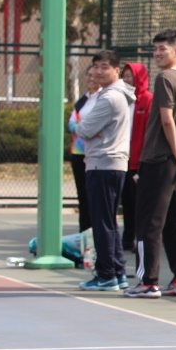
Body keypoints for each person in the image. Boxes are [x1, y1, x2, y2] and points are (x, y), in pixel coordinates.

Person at [125, 29, 176, 299]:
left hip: (158, 160)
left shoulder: (164, 78)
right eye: (154, 49)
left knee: (148, 222)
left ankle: (148, 282)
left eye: (162, 49)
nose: (157, 54)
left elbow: (167, 120)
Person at [75, 51, 135, 291]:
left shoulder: (110, 97)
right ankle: (117, 272)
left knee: (102, 222)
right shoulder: (113, 94)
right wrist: (88, 128)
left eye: (104, 67)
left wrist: (85, 127)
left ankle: (107, 274)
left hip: (103, 163)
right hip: (110, 163)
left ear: (116, 71)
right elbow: (87, 129)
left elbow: (83, 129)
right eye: (96, 66)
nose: (98, 71)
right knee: (108, 221)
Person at [120, 62, 152, 253]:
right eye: (124, 75)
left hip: (139, 161)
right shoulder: (122, 99)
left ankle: (142, 239)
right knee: (126, 202)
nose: (126, 79)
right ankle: (127, 238)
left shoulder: (147, 100)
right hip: (122, 158)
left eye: (129, 75)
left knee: (140, 203)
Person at [67, 72, 101, 233]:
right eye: (88, 75)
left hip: (96, 153)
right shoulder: (82, 100)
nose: (91, 78)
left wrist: (82, 125)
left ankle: (96, 231)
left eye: (94, 75)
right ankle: (84, 232)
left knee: (95, 195)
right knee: (82, 195)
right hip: (79, 152)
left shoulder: (103, 98)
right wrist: (85, 126)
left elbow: (98, 125)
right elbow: (71, 124)